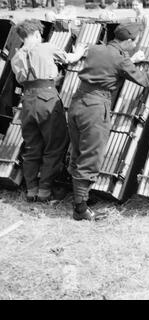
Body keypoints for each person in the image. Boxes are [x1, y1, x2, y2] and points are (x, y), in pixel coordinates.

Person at [68, 23, 149, 221]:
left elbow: (107, 65)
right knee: (91, 156)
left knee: (77, 152)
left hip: (77, 102)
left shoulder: (96, 49)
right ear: (127, 41)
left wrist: (131, 60)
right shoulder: (120, 59)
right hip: (95, 108)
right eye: (134, 43)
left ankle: (80, 198)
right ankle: (80, 210)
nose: (134, 46)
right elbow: (145, 81)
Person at [10, 19, 86, 202]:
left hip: (27, 102)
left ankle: (31, 190)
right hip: (48, 99)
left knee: (32, 146)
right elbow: (69, 59)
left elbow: (29, 79)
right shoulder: (47, 47)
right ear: (37, 33)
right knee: (55, 144)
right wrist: (80, 52)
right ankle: (44, 190)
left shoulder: (16, 57)